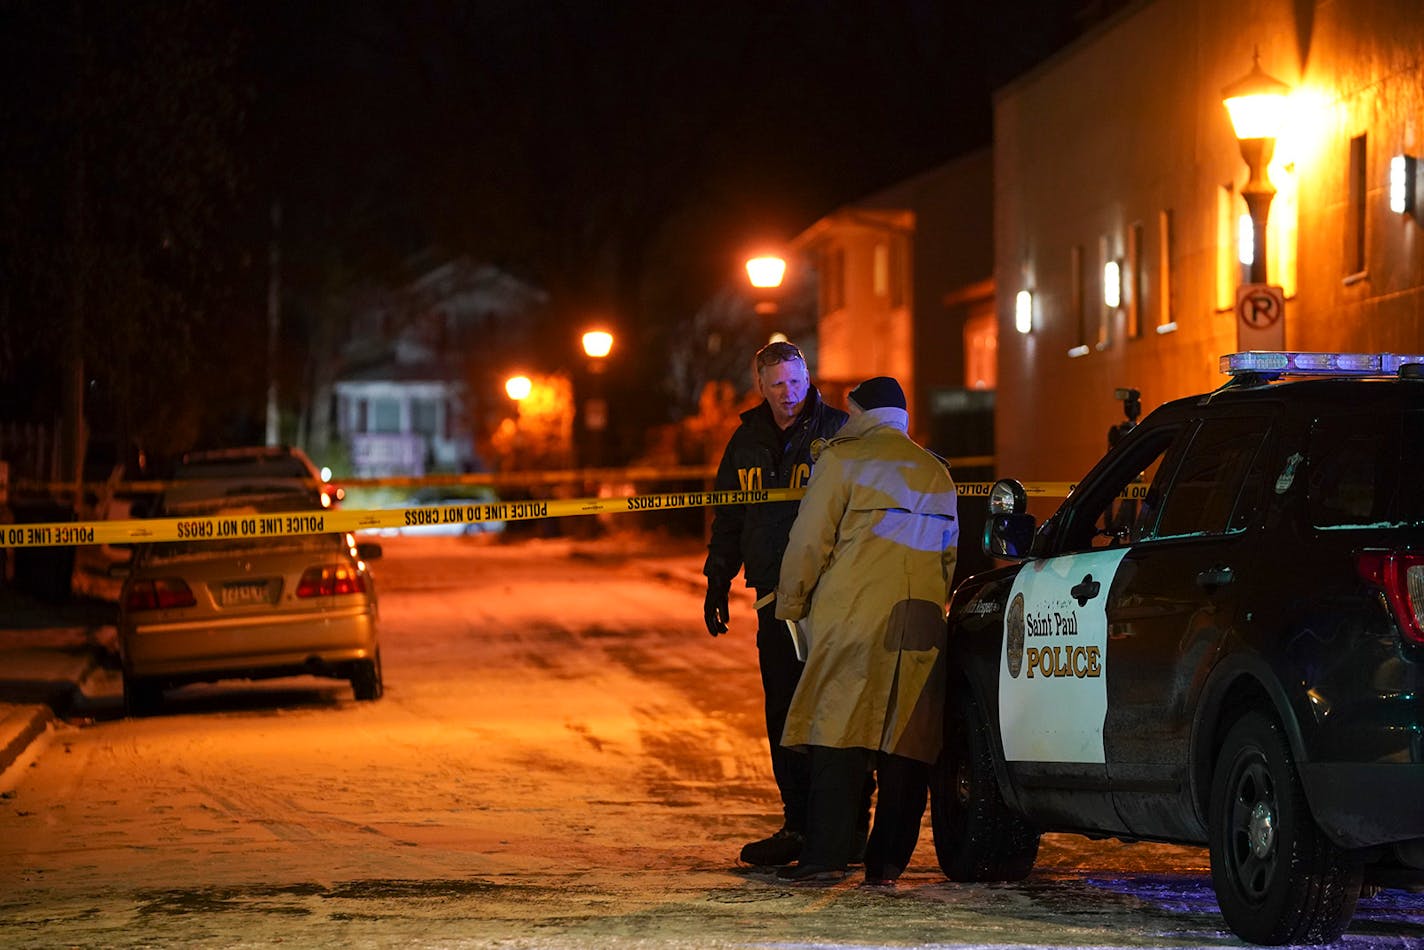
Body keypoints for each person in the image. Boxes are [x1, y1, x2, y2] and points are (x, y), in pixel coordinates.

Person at [772, 375, 958, 885]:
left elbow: (810, 540)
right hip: (919, 620)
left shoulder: (842, 460)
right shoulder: (935, 471)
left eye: (851, 411)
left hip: (853, 618)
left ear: (861, 413)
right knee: (905, 742)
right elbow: (948, 557)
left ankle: (824, 857)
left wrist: (790, 602)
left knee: (838, 734)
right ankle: (888, 862)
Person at [703, 340, 849, 867]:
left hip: (833, 595)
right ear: (760, 388)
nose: (789, 395)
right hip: (771, 596)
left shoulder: (837, 432)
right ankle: (799, 824)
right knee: (784, 711)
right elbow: (728, 517)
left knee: (836, 710)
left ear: (808, 377)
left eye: (796, 381)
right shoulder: (745, 441)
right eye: (778, 385)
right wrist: (717, 580)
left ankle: (845, 828)